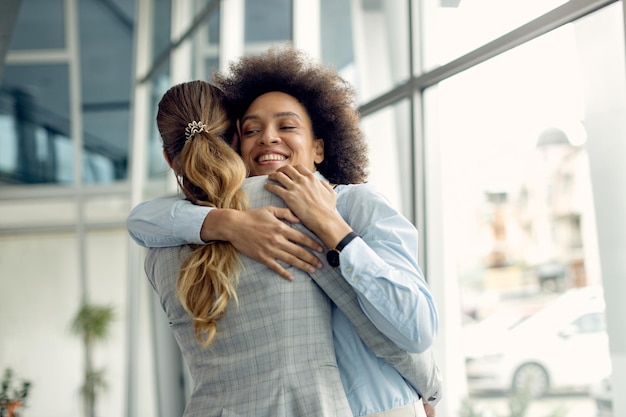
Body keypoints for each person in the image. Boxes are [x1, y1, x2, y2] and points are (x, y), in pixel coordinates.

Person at [128, 46, 441, 417]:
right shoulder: (251, 216)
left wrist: (335, 229)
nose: (268, 138)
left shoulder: (357, 205)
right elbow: (142, 218)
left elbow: (414, 324)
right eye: (251, 130)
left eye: (287, 126)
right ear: (233, 147)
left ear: (319, 148)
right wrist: (228, 222)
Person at [148, 80, 353, 416]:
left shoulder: (157, 249)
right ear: (236, 141)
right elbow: (366, 313)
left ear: (169, 159)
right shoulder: (288, 200)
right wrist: (429, 387)